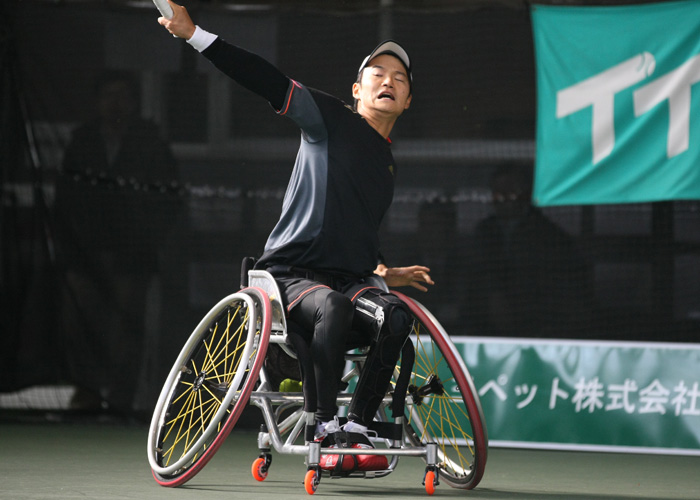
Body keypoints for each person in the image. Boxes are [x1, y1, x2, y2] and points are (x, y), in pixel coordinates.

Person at [158, 1, 433, 472]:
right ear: (357, 90)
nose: (388, 81)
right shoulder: (328, 119)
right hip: (290, 276)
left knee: (395, 318)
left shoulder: (386, 165)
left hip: (348, 278)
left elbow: (356, 229)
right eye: (377, 74)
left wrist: (386, 271)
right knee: (336, 306)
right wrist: (194, 35)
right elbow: (265, 78)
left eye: (400, 79)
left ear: (407, 101)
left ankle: (357, 427)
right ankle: (324, 425)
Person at [465, 163, 593, 337]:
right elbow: (474, 276)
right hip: (486, 332)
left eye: (509, 192)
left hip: (536, 332)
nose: (503, 198)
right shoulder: (484, 232)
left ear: (525, 194)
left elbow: (565, 293)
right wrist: (494, 297)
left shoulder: (549, 237)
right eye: (497, 193)